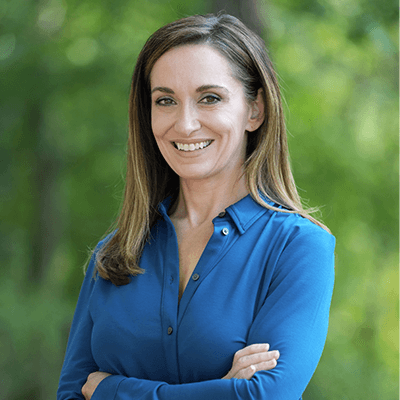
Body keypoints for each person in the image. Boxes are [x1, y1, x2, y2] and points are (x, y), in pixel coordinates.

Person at [57, 13, 335, 400]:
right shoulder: (115, 252)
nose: (185, 125)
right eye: (166, 100)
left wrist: (112, 390)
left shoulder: (298, 248)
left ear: (255, 111)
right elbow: (71, 394)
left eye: (209, 98)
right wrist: (222, 391)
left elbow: (265, 395)